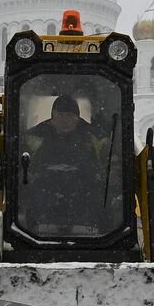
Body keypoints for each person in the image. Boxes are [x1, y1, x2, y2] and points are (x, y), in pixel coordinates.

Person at [23, 95, 105, 233]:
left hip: (83, 194)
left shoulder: (93, 139)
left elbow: (102, 168)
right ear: (52, 118)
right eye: (60, 115)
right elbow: (25, 168)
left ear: (78, 119)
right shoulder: (34, 138)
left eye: (70, 115)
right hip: (44, 194)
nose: (65, 120)